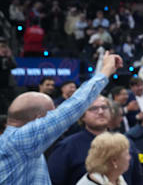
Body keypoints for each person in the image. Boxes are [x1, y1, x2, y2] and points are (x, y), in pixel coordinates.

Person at [0, 52, 122, 184]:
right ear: (38, 119)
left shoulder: (14, 142)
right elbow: (75, 105)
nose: (54, 119)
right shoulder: (21, 141)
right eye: (51, 115)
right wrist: (106, 69)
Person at [48, 93, 143, 185]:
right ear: (82, 116)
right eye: (93, 108)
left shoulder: (125, 143)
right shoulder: (67, 147)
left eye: (104, 107)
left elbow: (138, 180)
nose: (100, 112)